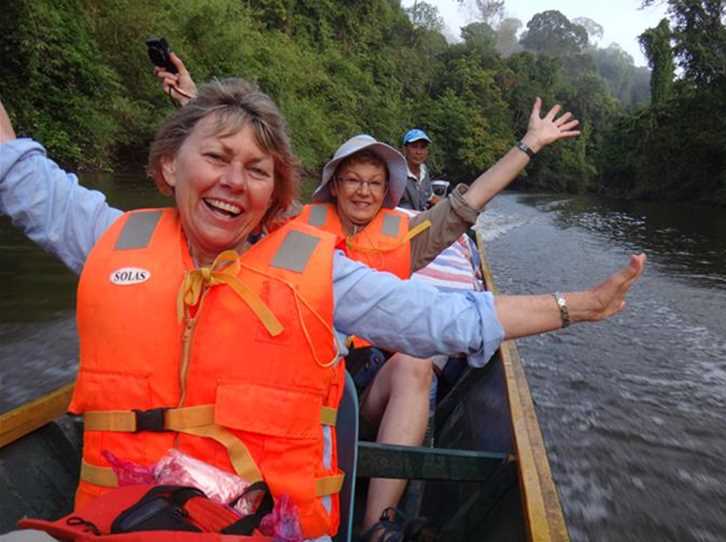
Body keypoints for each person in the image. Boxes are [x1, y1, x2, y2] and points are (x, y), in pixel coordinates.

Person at [0, 80, 644, 542]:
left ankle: (379, 522)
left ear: (273, 192)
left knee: (416, 363)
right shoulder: (111, 241)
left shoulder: (332, 264)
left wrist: (574, 306)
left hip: (264, 512)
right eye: (216, 158)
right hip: (120, 514)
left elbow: (439, 316)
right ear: (169, 166)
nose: (232, 180)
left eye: (255, 169)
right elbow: (21, 174)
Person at [155, 54, 584, 536]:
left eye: (375, 183)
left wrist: (529, 145)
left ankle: (376, 525)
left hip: (363, 384)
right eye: (353, 180)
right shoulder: (289, 225)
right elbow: (242, 174)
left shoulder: (405, 238)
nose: (363, 191)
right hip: (290, 379)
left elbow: (468, 204)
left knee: (416, 363)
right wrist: (195, 102)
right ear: (334, 184)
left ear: (387, 192)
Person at [399, 128, 432, 211]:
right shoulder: (397, 172)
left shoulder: (424, 170)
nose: (419, 152)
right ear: (405, 149)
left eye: (423, 147)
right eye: (414, 147)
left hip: (421, 220)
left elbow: (430, 197)